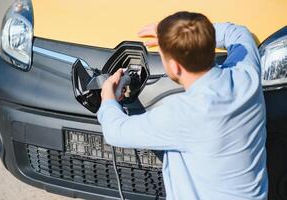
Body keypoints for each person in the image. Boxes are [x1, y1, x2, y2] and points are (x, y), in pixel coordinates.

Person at [97, 11, 268, 200]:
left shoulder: (183, 113)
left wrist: (108, 96)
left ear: (176, 67)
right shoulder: (246, 75)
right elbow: (237, 32)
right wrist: (182, 35)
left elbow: (115, 130)